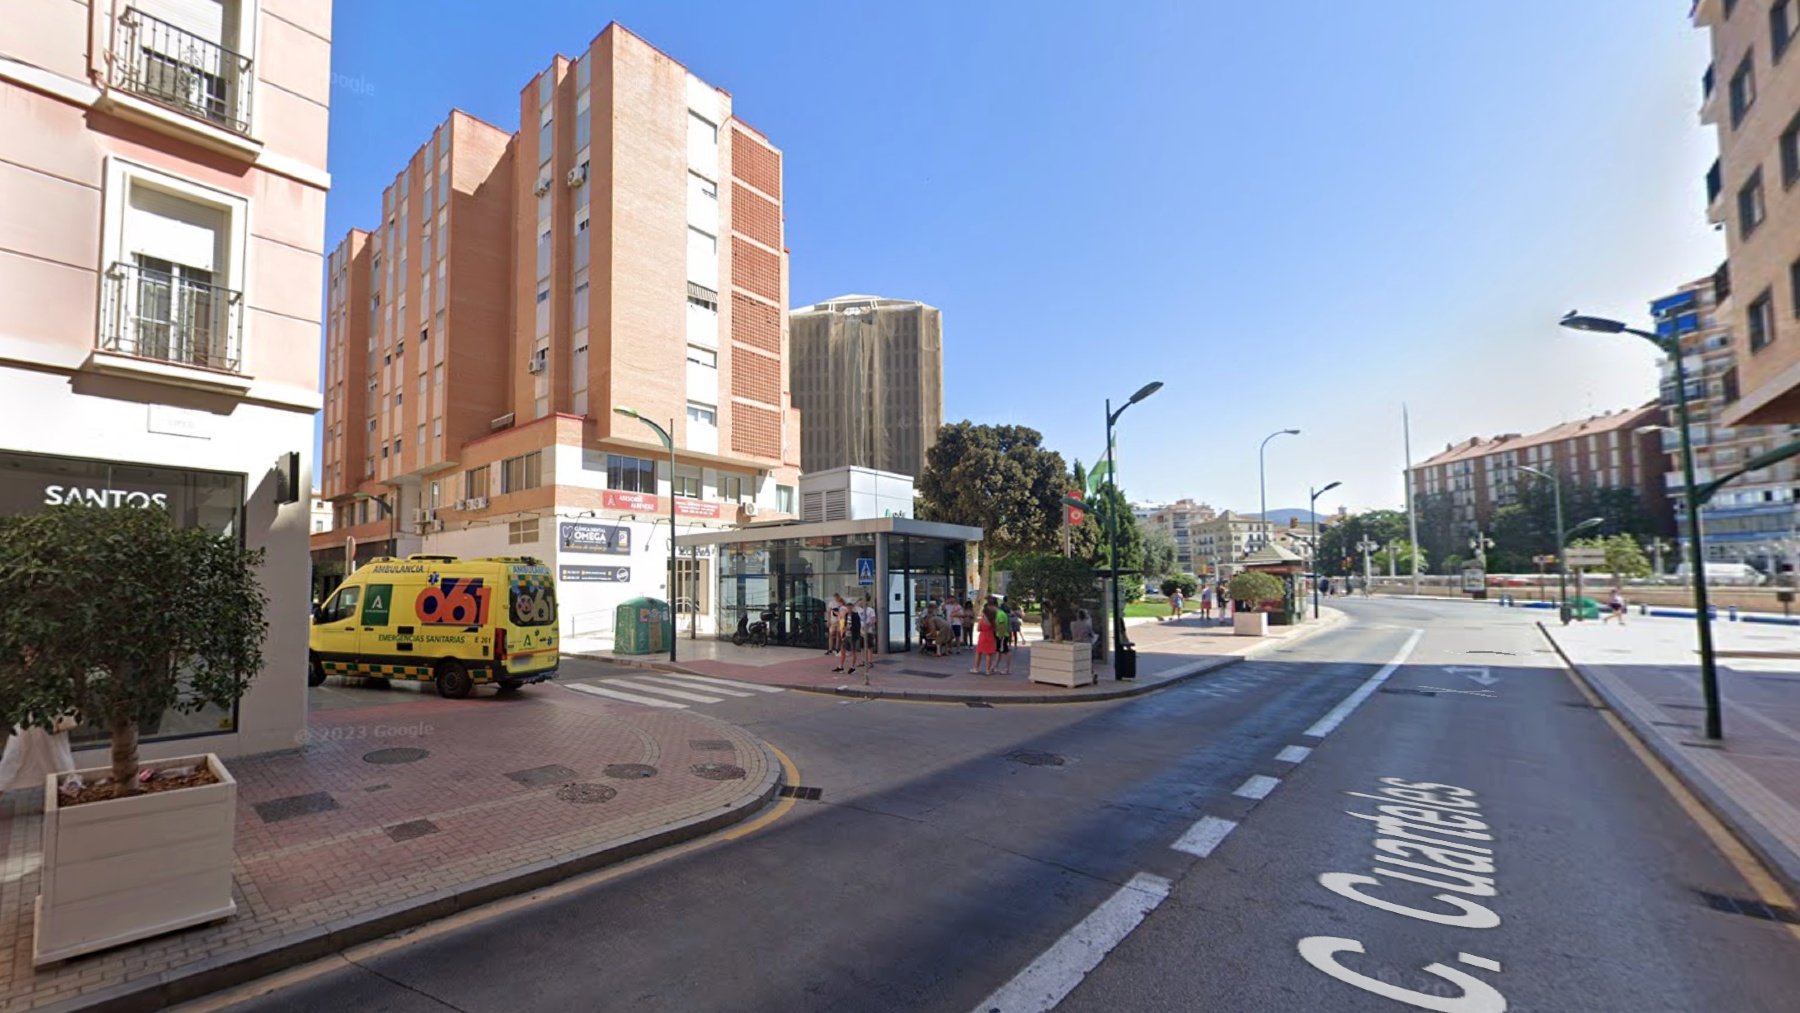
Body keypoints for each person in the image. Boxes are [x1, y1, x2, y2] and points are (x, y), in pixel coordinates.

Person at [835, 597, 864, 675]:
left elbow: (858, 626)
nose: (848, 608)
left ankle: (852, 667)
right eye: (847, 607)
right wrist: (843, 632)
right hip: (846, 635)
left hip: (853, 636)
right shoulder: (847, 614)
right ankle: (841, 666)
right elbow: (844, 624)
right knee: (843, 650)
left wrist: (850, 628)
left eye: (850, 607)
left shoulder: (856, 615)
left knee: (853, 651)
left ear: (852, 607)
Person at [971, 602, 998, 675]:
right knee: (989, 654)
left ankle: (976, 668)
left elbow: (978, 629)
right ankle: (987, 670)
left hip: (983, 636)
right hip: (990, 637)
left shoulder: (982, 621)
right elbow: (995, 629)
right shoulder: (993, 621)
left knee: (979, 652)